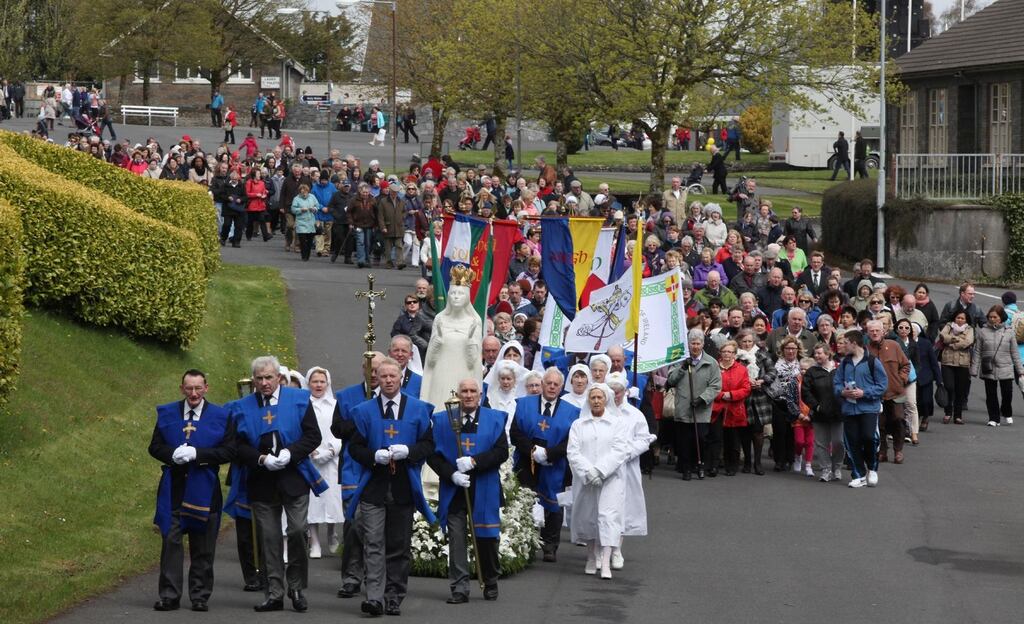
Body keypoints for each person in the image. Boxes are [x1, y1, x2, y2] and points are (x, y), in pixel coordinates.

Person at [230, 356, 324, 613]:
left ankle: (296, 586)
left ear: (279, 378)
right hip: (261, 479)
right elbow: (236, 445)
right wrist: (260, 459)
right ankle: (274, 592)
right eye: (259, 378)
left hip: (293, 475)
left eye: (268, 377)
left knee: (296, 530)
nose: (264, 383)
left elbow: (313, 436)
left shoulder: (298, 400)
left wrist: (291, 453)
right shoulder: (242, 407)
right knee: (269, 539)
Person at [346, 358, 436, 617]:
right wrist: (374, 456)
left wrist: (409, 451)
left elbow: (428, 445)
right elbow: (355, 447)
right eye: (382, 376)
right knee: (373, 541)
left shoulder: (418, 410)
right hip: (374, 486)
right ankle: (374, 597)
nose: (387, 380)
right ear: (377, 378)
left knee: (398, 544)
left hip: (403, 487)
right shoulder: (364, 411)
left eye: (392, 376)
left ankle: (394, 595)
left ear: (400, 379)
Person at [149, 370, 235, 612]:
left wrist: (199, 455)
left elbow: (230, 451)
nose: (194, 393)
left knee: (203, 547)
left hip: (206, 490)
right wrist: (170, 454)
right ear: (182, 389)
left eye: (198, 388)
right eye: (189, 388)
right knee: (171, 544)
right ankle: (169, 595)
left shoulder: (221, 416)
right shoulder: (168, 414)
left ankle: (199, 596)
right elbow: (155, 446)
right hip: (174, 489)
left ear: (206, 388)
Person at [427, 378, 509, 603]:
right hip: (455, 488)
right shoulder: (443, 420)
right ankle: (459, 587)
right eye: (464, 391)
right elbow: (432, 454)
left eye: (473, 391)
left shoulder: (494, 420)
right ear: (458, 394)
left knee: (486, 537)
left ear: (480, 395)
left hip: (484, 486)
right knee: (456, 538)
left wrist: (474, 462)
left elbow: (502, 452)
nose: (469, 395)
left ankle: (490, 580)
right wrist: (451, 473)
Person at [510, 368, 581, 562]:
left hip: (555, 464)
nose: (551, 387)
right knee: (526, 501)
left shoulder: (572, 412)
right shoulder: (523, 405)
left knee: (554, 507)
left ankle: (550, 546)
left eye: (556, 384)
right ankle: (525, 544)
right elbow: (515, 433)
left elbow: (572, 441)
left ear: (561, 387)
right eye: (548, 383)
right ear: (542, 384)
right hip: (526, 462)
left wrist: (549, 453)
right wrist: (532, 451)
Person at [331, 352, 385, 600]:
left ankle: (374, 576)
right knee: (353, 523)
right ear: (362, 368)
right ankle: (351, 576)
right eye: (369, 370)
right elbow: (337, 429)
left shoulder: (390, 399)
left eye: (378, 371)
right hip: (353, 466)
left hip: (381, 468)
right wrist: (360, 416)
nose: (373, 375)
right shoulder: (345, 396)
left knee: (373, 526)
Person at [566, 383, 627, 580]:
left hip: (610, 480)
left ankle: (607, 559)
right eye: (593, 398)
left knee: (608, 518)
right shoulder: (579, 425)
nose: (596, 401)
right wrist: (588, 472)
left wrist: (601, 470)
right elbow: (573, 452)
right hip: (587, 480)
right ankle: (592, 556)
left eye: (600, 397)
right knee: (589, 516)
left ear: (606, 399)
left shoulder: (617, 424)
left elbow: (619, 451)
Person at [604, 372, 657, 569]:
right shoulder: (601, 411)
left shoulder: (635, 414)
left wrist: (627, 453)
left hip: (626, 467)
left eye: (618, 392)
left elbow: (644, 439)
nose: (615, 396)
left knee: (622, 508)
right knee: (604, 510)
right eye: (612, 392)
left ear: (625, 391)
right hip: (604, 467)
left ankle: (617, 549)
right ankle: (602, 549)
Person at [833, 330, 889, 488]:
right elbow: (837, 383)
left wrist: (864, 393)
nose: (843, 346)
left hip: (869, 408)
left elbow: (882, 385)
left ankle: (872, 468)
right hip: (849, 409)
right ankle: (858, 474)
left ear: (854, 343)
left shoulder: (872, 362)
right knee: (852, 441)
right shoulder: (845, 363)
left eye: (846, 343)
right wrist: (842, 392)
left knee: (869, 438)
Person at [666, 329, 723, 480]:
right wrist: (683, 368)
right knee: (683, 440)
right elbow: (670, 380)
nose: (695, 347)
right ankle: (686, 468)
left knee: (701, 438)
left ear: (703, 344)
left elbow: (716, 385)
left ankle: (699, 464)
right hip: (683, 407)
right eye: (693, 344)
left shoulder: (711, 362)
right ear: (688, 345)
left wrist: (703, 398)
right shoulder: (679, 360)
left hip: (701, 409)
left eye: (698, 343)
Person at [304, 367, 343, 560]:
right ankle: (315, 541)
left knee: (331, 497)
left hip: (331, 458)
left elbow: (340, 432)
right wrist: (310, 450)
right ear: (308, 383)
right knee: (313, 501)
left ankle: (331, 531)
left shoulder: (335, 405)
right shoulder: (304, 405)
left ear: (327, 383)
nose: (318, 385)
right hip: (310, 458)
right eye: (314, 381)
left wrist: (331, 451)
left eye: (322, 381)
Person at [971, 304, 1024, 427]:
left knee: (1007, 393)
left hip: (1006, 367)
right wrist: (974, 369)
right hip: (988, 367)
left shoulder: (1009, 332)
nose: (992, 319)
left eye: (994, 317)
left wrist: (1020, 370)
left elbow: (1015, 353)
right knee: (991, 394)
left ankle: (1006, 412)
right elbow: (977, 351)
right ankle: (993, 418)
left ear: (1001, 317)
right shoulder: (982, 332)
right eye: (990, 317)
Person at [865, 320, 910, 464]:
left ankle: (898, 451)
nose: (875, 333)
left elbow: (906, 365)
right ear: (867, 333)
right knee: (880, 424)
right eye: (871, 331)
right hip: (876, 395)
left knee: (898, 419)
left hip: (895, 392)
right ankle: (882, 451)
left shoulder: (894, 346)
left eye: (877, 330)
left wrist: (901, 379)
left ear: (883, 332)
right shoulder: (865, 350)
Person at [801, 343, 843, 481]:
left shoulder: (840, 368)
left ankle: (836, 466)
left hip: (838, 413)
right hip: (820, 413)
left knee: (839, 442)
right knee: (821, 443)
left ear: (828, 353)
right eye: (815, 353)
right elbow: (806, 392)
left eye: (820, 353)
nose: (817, 356)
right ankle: (825, 469)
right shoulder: (811, 372)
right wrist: (816, 406)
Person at [734, 329, 774, 475]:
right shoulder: (736, 357)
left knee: (758, 432)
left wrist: (762, 381)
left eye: (750, 341)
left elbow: (772, 371)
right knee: (744, 432)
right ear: (739, 342)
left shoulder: (762, 354)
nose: (747, 344)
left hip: (759, 397)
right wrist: (745, 381)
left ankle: (758, 462)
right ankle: (747, 462)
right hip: (742, 398)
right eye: (744, 341)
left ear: (754, 342)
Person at [714, 341, 752, 477]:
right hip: (717, 408)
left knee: (734, 440)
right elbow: (709, 386)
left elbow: (746, 389)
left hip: (735, 408)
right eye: (724, 351)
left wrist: (731, 395)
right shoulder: (714, 367)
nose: (726, 354)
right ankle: (717, 463)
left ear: (734, 354)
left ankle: (732, 465)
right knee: (718, 438)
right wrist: (721, 395)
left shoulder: (742, 369)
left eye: (729, 352)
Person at [939, 310, 975, 425]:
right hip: (947, 361)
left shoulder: (969, 329)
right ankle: (948, 412)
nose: (960, 320)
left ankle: (958, 415)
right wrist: (956, 339)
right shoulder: (949, 326)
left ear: (966, 320)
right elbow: (943, 337)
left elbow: (968, 341)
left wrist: (952, 342)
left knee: (960, 389)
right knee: (949, 387)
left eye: (962, 318)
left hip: (962, 362)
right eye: (958, 318)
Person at [291, 184, 320, 261]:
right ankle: (304, 256)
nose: (304, 194)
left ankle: (308, 255)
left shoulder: (312, 197)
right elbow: (293, 209)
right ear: (300, 192)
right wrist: (300, 210)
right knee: (303, 241)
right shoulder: (296, 199)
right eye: (302, 192)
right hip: (301, 222)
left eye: (305, 192)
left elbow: (317, 206)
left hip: (311, 222)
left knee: (310, 241)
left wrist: (314, 209)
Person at [218, 171, 247, 248]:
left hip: (238, 209)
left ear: (238, 179)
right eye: (233, 179)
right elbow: (220, 195)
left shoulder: (242, 186)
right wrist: (228, 198)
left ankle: (236, 241)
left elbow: (245, 197)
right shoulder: (225, 185)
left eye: (236, 179)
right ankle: (223, 239)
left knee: (238, 226)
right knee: (227, 224)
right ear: (230, 178)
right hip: (228, 208)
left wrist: (240, 199)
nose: (234, 180)